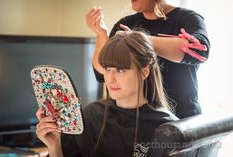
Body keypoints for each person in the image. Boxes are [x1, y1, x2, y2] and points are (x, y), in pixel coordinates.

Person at [36, 31, 179, 157]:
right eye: (107, 68)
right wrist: (54, 147)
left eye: (121, 70)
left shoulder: (166, 128)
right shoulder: (89, 116)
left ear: (144, 72)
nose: (110, 78)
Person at [86, 0, 210, 119]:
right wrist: (102, 35)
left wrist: (138, 40)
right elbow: (102, 73)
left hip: (182, 117)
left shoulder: (187, 18)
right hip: (135, 119)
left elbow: (199, 50)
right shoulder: (126, 23)